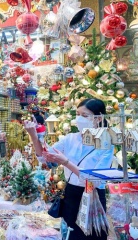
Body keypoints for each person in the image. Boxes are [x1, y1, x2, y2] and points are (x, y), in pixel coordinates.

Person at [24, 98, 114, 240]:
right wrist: (34, 135)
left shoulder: (106, 143)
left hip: (93, 197)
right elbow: (45, 156)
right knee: (70, 234)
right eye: (77, 114)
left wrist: (66, 163)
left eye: (84, 115)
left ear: (98, 118)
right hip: (71, 194)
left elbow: (95, 180)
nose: (79, 118)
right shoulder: (71, 138)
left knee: (92, 236)